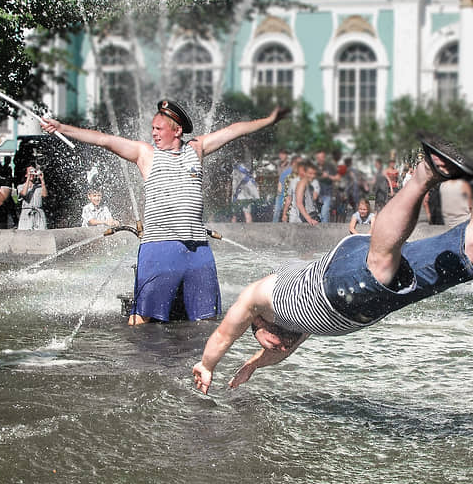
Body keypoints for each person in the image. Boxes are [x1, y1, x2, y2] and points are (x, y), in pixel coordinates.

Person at [191, 95, 473, 395]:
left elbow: (224, 334)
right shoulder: (290, 328)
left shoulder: (258, 297)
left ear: (256, 323)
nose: (276, 345)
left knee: (379, 264)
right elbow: (277, 351)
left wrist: (208, 365)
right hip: (375, 295)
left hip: (340, 278)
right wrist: (256, 364)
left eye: (265, 339)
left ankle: (424, 171)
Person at [42, 100, 289, 325]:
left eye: (159, 129)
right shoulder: (145, 154)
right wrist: (62, 127)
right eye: (153, 128)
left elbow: (235, 130)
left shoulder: (197, 148)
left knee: (208, 319)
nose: (153, 133)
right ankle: (139, 368)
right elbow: (102, 139)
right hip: (159, 247)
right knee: (141, 319)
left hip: (197, 249)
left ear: (177, 130)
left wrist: (269, 120)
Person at [18, 165, 48, 230]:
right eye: (30, 172)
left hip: (38, 213)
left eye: (33, 172)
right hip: (26, 213)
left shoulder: (40, 186)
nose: (32, 174)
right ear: (26, 174)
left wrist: (42, 180)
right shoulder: (21, 186)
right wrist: (28, 178)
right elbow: (24, 193)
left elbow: (45, 195)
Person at [314, 150, 338, 223]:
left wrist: (328, 176)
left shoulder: (330, 166)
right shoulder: (314, 167)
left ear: (324, 157)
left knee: (324, 215)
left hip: (327, 194)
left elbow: (337, 178)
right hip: (315, 195)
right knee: (317, 216)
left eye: (322, 157)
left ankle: (325, 232)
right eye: (318, 157)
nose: (320, 159)